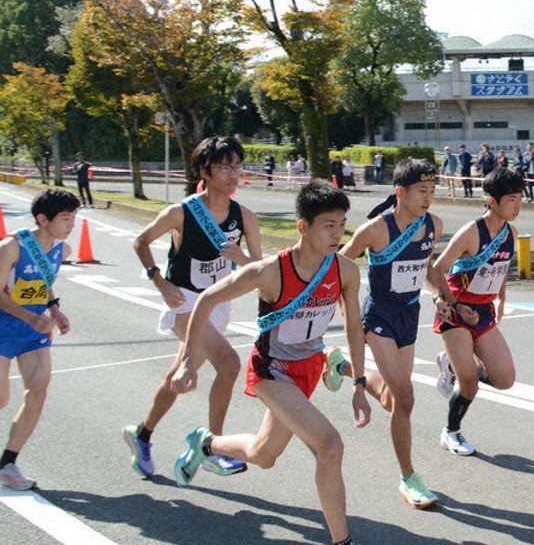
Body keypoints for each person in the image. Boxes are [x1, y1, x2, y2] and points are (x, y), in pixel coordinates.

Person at [170, 180, 369, 545]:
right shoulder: (270, 271)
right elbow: (206, 300)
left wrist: (359, 384)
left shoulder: (345, 271)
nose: (337, 234)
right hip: (271, 372)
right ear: (303, 226)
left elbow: (355, 327)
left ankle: (206, 444)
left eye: (342, 224)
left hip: (308, 370)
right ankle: (342, 541)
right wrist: (187, 362)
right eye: (328, 225)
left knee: (263, 455)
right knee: (329, 446)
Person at [124, 136, 262, 480]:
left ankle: (141, 434)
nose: (233, 174)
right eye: (224, 167)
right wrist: (160, 282)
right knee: (229, 364)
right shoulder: (181, 212)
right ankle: (213, 448)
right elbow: (140, 241)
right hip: (184, 301)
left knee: (178, 376)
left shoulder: (245, 217)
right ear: (204, 170)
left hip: (217, 302)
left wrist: (241, 258)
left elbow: (260, 269)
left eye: (237, 166)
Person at [332, 160, 467, 509]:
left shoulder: (433, 224)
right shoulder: (376, 230)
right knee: (406, 399)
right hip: (378, 317)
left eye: (432, 191)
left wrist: (442, 297)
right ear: (400, 192)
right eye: (422, 191)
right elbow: (339, 265)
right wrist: (344, 313)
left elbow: (428, 268)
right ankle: (409, 478)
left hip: (409, 315)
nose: (428, 198)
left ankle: (342, 367)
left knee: (394, 401)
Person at [429, 168, 524, 456]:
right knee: (469, 382)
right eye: (511, 200)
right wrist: (446, 302)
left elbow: (501, 270)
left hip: (483, 311)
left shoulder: (511, 234)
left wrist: (502, 300)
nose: (518, 206)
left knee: (505, 379)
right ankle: (451, 432)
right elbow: (436, 271)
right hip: (456, 309)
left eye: (520, 199)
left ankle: (451, 363)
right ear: (492, 201)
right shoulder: (471, 233)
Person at [0, 189, 78, 489]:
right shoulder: (11, 248)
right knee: (1, 398)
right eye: (66, 218)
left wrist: (55, 310)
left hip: (32, 331)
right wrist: (30, 317)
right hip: (4, 326)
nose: (72, 224)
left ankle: (7, 464)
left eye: (74, 217)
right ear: (43, 220)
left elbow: (43, 284)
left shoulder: (61, 249)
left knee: (38, 389)